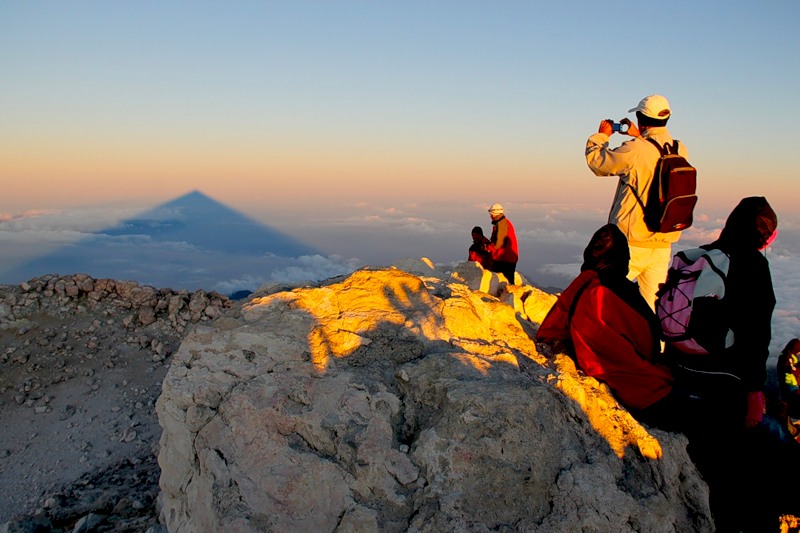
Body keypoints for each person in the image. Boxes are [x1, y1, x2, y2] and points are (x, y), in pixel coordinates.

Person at [662, 196, 785, 532]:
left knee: (706, 463)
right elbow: (756, 337)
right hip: (723, 384)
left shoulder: (701, 256)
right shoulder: (753, 264)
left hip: (680, 372)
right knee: (749, 466)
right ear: (765, 236)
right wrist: (754, 392)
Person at [536, 224, 675, 420]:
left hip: (640, 386)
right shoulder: (625, 290)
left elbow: (591, 345)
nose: (597, 244)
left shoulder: (593, 289)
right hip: (651, 368)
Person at [585, 94, 690, 310]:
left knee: (603, 294)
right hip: (663, 240)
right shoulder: (680, 149)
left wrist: (601, 136)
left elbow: (598, 163)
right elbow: (653, 154)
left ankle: (599, 340)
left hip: (631, 242)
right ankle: (653, 344)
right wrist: (641, 136)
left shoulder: (634, 150)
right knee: (652, 305)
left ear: (641, 118)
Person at [486, 203, 518, 284]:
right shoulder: (503, 222)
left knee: (504, 280)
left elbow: (499, 243)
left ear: (494, 214)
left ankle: (510, 295)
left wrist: (489, 247)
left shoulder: (501, 224)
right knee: (507, 280)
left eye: (490, 214)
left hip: (505, 258)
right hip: (508, 257)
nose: (490, 216)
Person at [777, 338, 800, 419]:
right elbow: (787, 373)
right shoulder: (787, 356)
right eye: (798, 345)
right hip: (790, 385)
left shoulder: (793, 356)